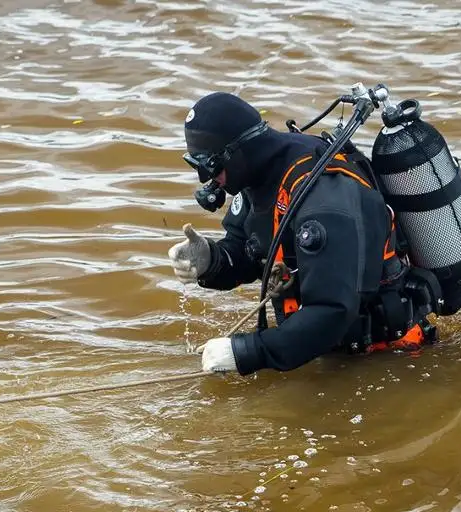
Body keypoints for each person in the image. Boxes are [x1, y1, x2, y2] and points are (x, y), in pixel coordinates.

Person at [168, 92, 438, 376]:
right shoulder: (260, 173)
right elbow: (249, 249)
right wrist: (211, 260)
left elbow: (333, 311)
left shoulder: (323, 200)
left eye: (210, 166)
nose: (206, 179)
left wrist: (248, 352)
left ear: (237, 152)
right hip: (322, 348)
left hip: (390, 359)